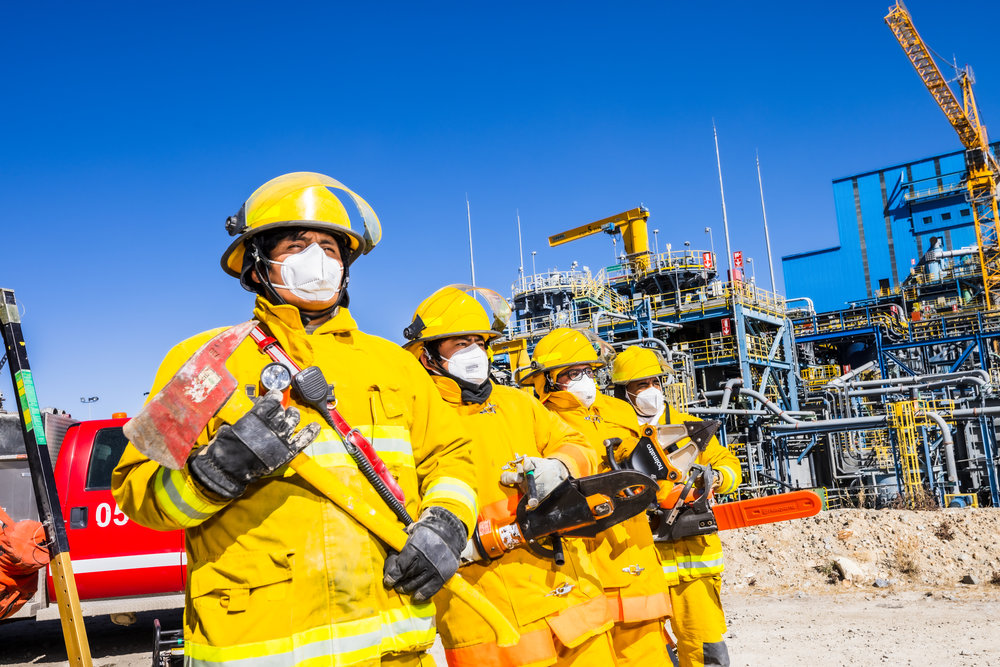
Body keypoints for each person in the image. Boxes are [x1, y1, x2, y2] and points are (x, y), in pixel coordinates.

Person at [112, 172, 478, 667]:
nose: (317, 259)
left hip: (395, 649)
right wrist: (213, 474)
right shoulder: (205, 359)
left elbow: (452, 457)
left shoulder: (394, 364)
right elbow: (139, 493)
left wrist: (447, 525)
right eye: (297, 244)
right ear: (258, 263)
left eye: (329, 247)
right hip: (258, 649)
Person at [402, 286, 615, 666]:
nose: (475, 353)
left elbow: (581, 445)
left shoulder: (518, 404)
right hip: (487, 611)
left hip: (566, 591)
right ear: (427, 355)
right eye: (460, 343)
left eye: (480, 343)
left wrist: (561, 466)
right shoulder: (416, 417)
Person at [519, 328, 672, 666]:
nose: (584, 380)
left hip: (635, 557)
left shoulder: (618, 412)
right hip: (582, 565)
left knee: (649, 655)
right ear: (547, 380)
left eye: (588, 371)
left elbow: (658, 478)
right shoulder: (538, 421)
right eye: (572, 373)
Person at [611, 345, 742, 667]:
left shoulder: (689, 428)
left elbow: (728, 464)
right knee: (644, 651)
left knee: (703, 645)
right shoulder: (612, 434)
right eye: (641, 385)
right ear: (623, 391)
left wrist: (715, 479)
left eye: (655, 382)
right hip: (639, 564)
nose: (651, 391)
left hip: (693, 563)